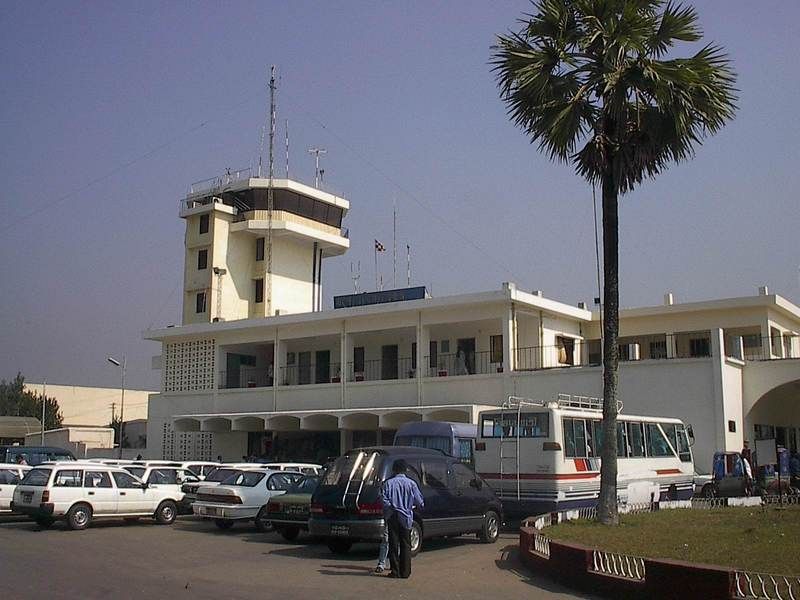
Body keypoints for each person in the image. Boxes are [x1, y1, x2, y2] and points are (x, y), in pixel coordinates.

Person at [380, 459, 424, 579]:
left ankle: (395, 571)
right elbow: (420, 502)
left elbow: (383, 500)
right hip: (406, 517)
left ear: (394, 469)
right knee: (406, 545)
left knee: (393, 544)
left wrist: (392, 506)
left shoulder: (388, 484)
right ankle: (405, 572)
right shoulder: (411, 484)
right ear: (405, 470)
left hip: (393, 516)